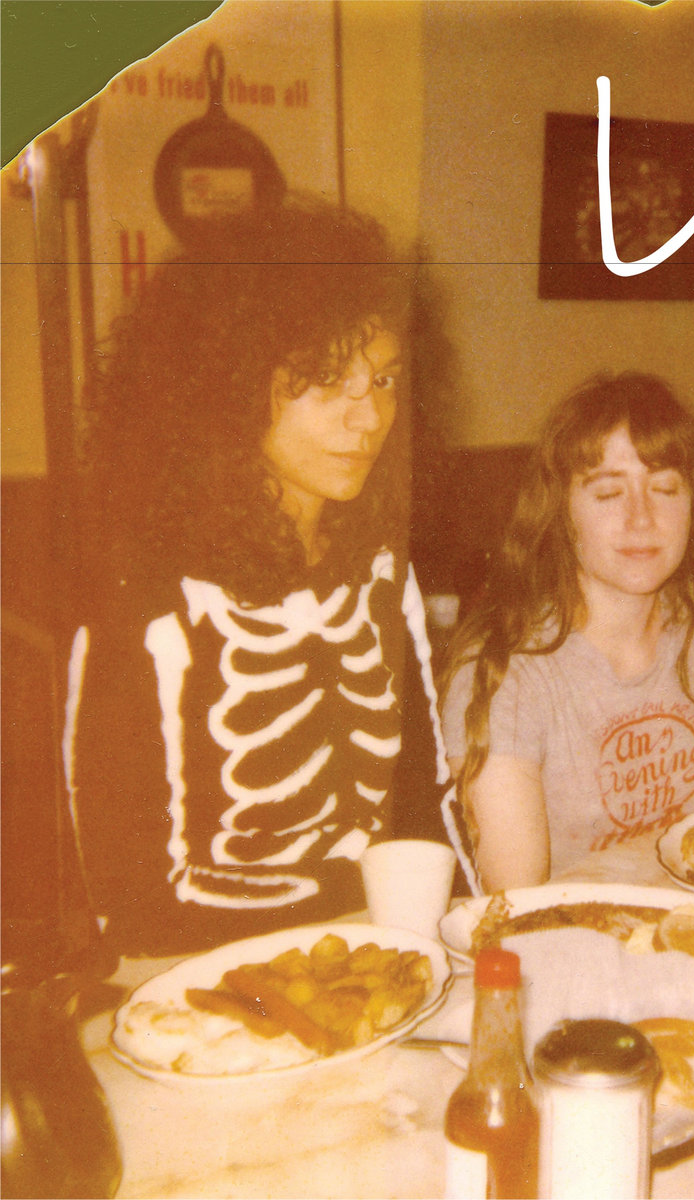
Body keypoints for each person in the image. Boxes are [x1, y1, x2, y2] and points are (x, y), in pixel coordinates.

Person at [64, 200, 463, 957]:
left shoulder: (381, 572)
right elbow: (130, 902)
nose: (369, 419)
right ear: (226, 387)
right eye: (326, 380)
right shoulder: (149, 603)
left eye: (384, 380)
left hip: (384, 955)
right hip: (202, 979)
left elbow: (426, 812)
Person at [439, 372, 694, 891]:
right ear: (561, 513)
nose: (642, 518)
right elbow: (517, 900)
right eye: (608, 493)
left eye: (665, 488)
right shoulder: (501, 672)